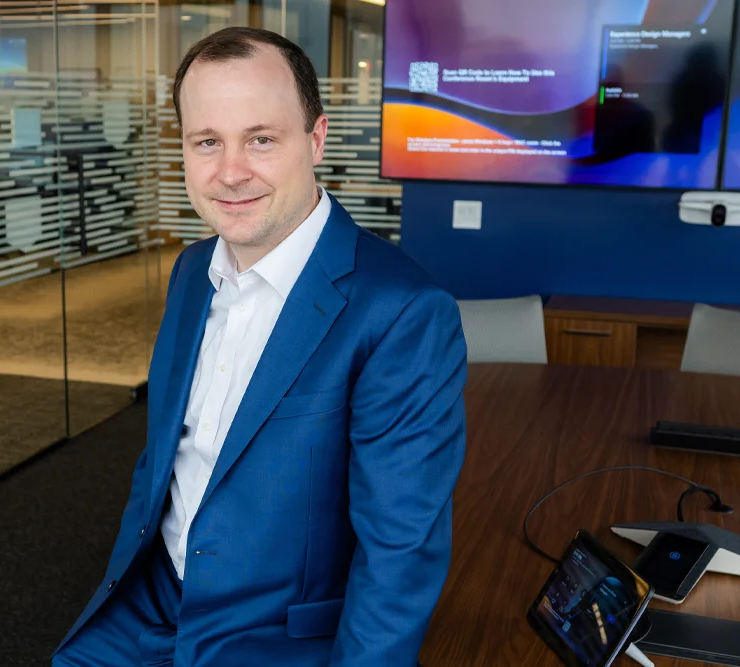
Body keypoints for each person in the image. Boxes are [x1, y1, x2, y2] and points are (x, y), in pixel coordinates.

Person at [52, 27, 468, 667]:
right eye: (207, 142)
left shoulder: (402, 312)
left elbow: (400, 553)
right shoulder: (192, 271)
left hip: (273, 640)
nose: (230, 172)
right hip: (148, 606)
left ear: (316, 139)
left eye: (262, 139)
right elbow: (167, 456)